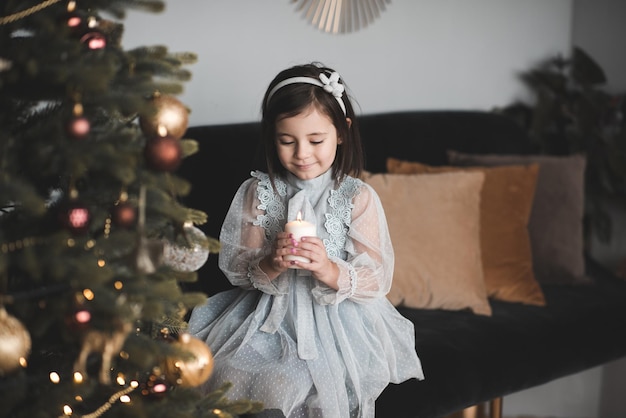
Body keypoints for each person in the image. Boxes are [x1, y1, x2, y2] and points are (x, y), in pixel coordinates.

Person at [187, 62, 424, 418]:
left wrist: (329, 269)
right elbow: (237, 267)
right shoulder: (259, 192)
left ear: (341, 132)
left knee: (309, 386)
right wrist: (270, 263)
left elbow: (376, 277)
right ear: (272, 137)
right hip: (269, 317)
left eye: (316, 140)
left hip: (337, 321)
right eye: (286, 141)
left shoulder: (355, 197)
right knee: (231, 373)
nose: (301, 153)